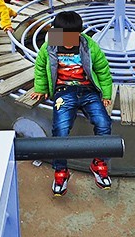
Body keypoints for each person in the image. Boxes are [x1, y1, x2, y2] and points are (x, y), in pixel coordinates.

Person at [30, 10, 114, 196]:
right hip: (64, 91)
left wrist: (106, 93)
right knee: (60, 129)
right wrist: (41, 88)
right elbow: (41, 67)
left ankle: (99, 162)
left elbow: (102, 69)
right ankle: (61, 170)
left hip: (88, 90)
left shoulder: (89, 46)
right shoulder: (50, 45)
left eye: (73, 36)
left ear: (80, 33)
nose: (68, 41)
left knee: (104, 122)